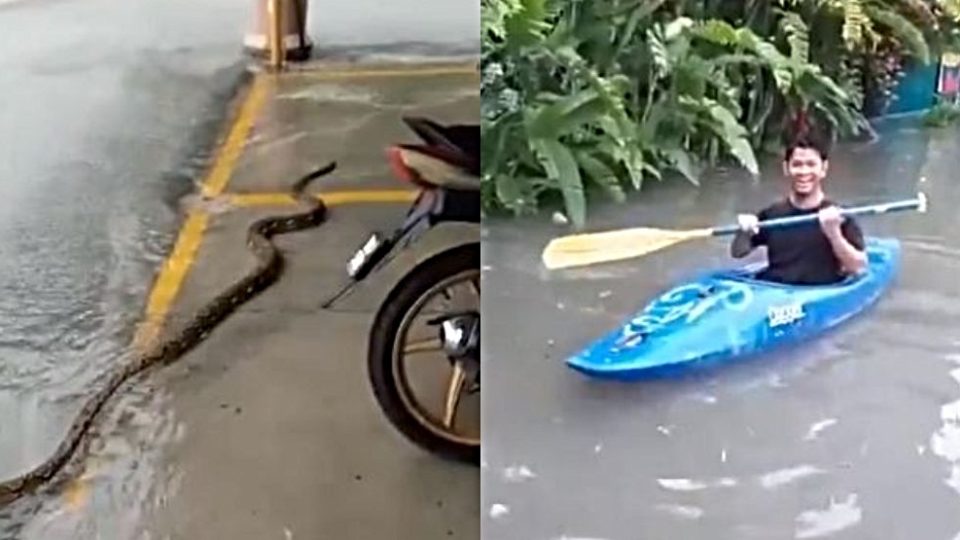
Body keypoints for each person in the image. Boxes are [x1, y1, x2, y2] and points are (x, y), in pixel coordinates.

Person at [730, 135, 867, 285]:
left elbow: (858, 268)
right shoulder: (773, 215)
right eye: (797, 165)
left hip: (817, 294)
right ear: (786, 168)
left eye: (811, 164)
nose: (803, 172)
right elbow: (738, 252)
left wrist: (834, 233)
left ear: (823, 168)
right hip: (775, 291)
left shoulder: (841, 216)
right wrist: (744, 232)